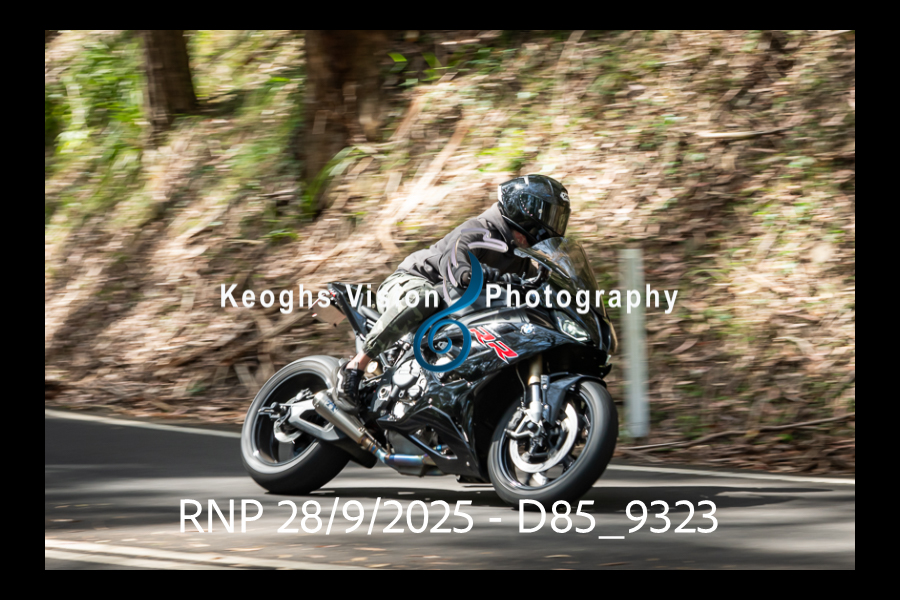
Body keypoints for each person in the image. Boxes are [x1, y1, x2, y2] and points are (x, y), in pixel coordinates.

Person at [332, 174, 572, 413]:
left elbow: (543, 287)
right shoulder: (479, 230)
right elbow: (456, 262)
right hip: (410, 283)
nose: (547, 228)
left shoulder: (521, 259)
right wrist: (472, 274)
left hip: (450, 313)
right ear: (522, 209)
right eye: (546, 217)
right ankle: (355, 367)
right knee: (426, 297)